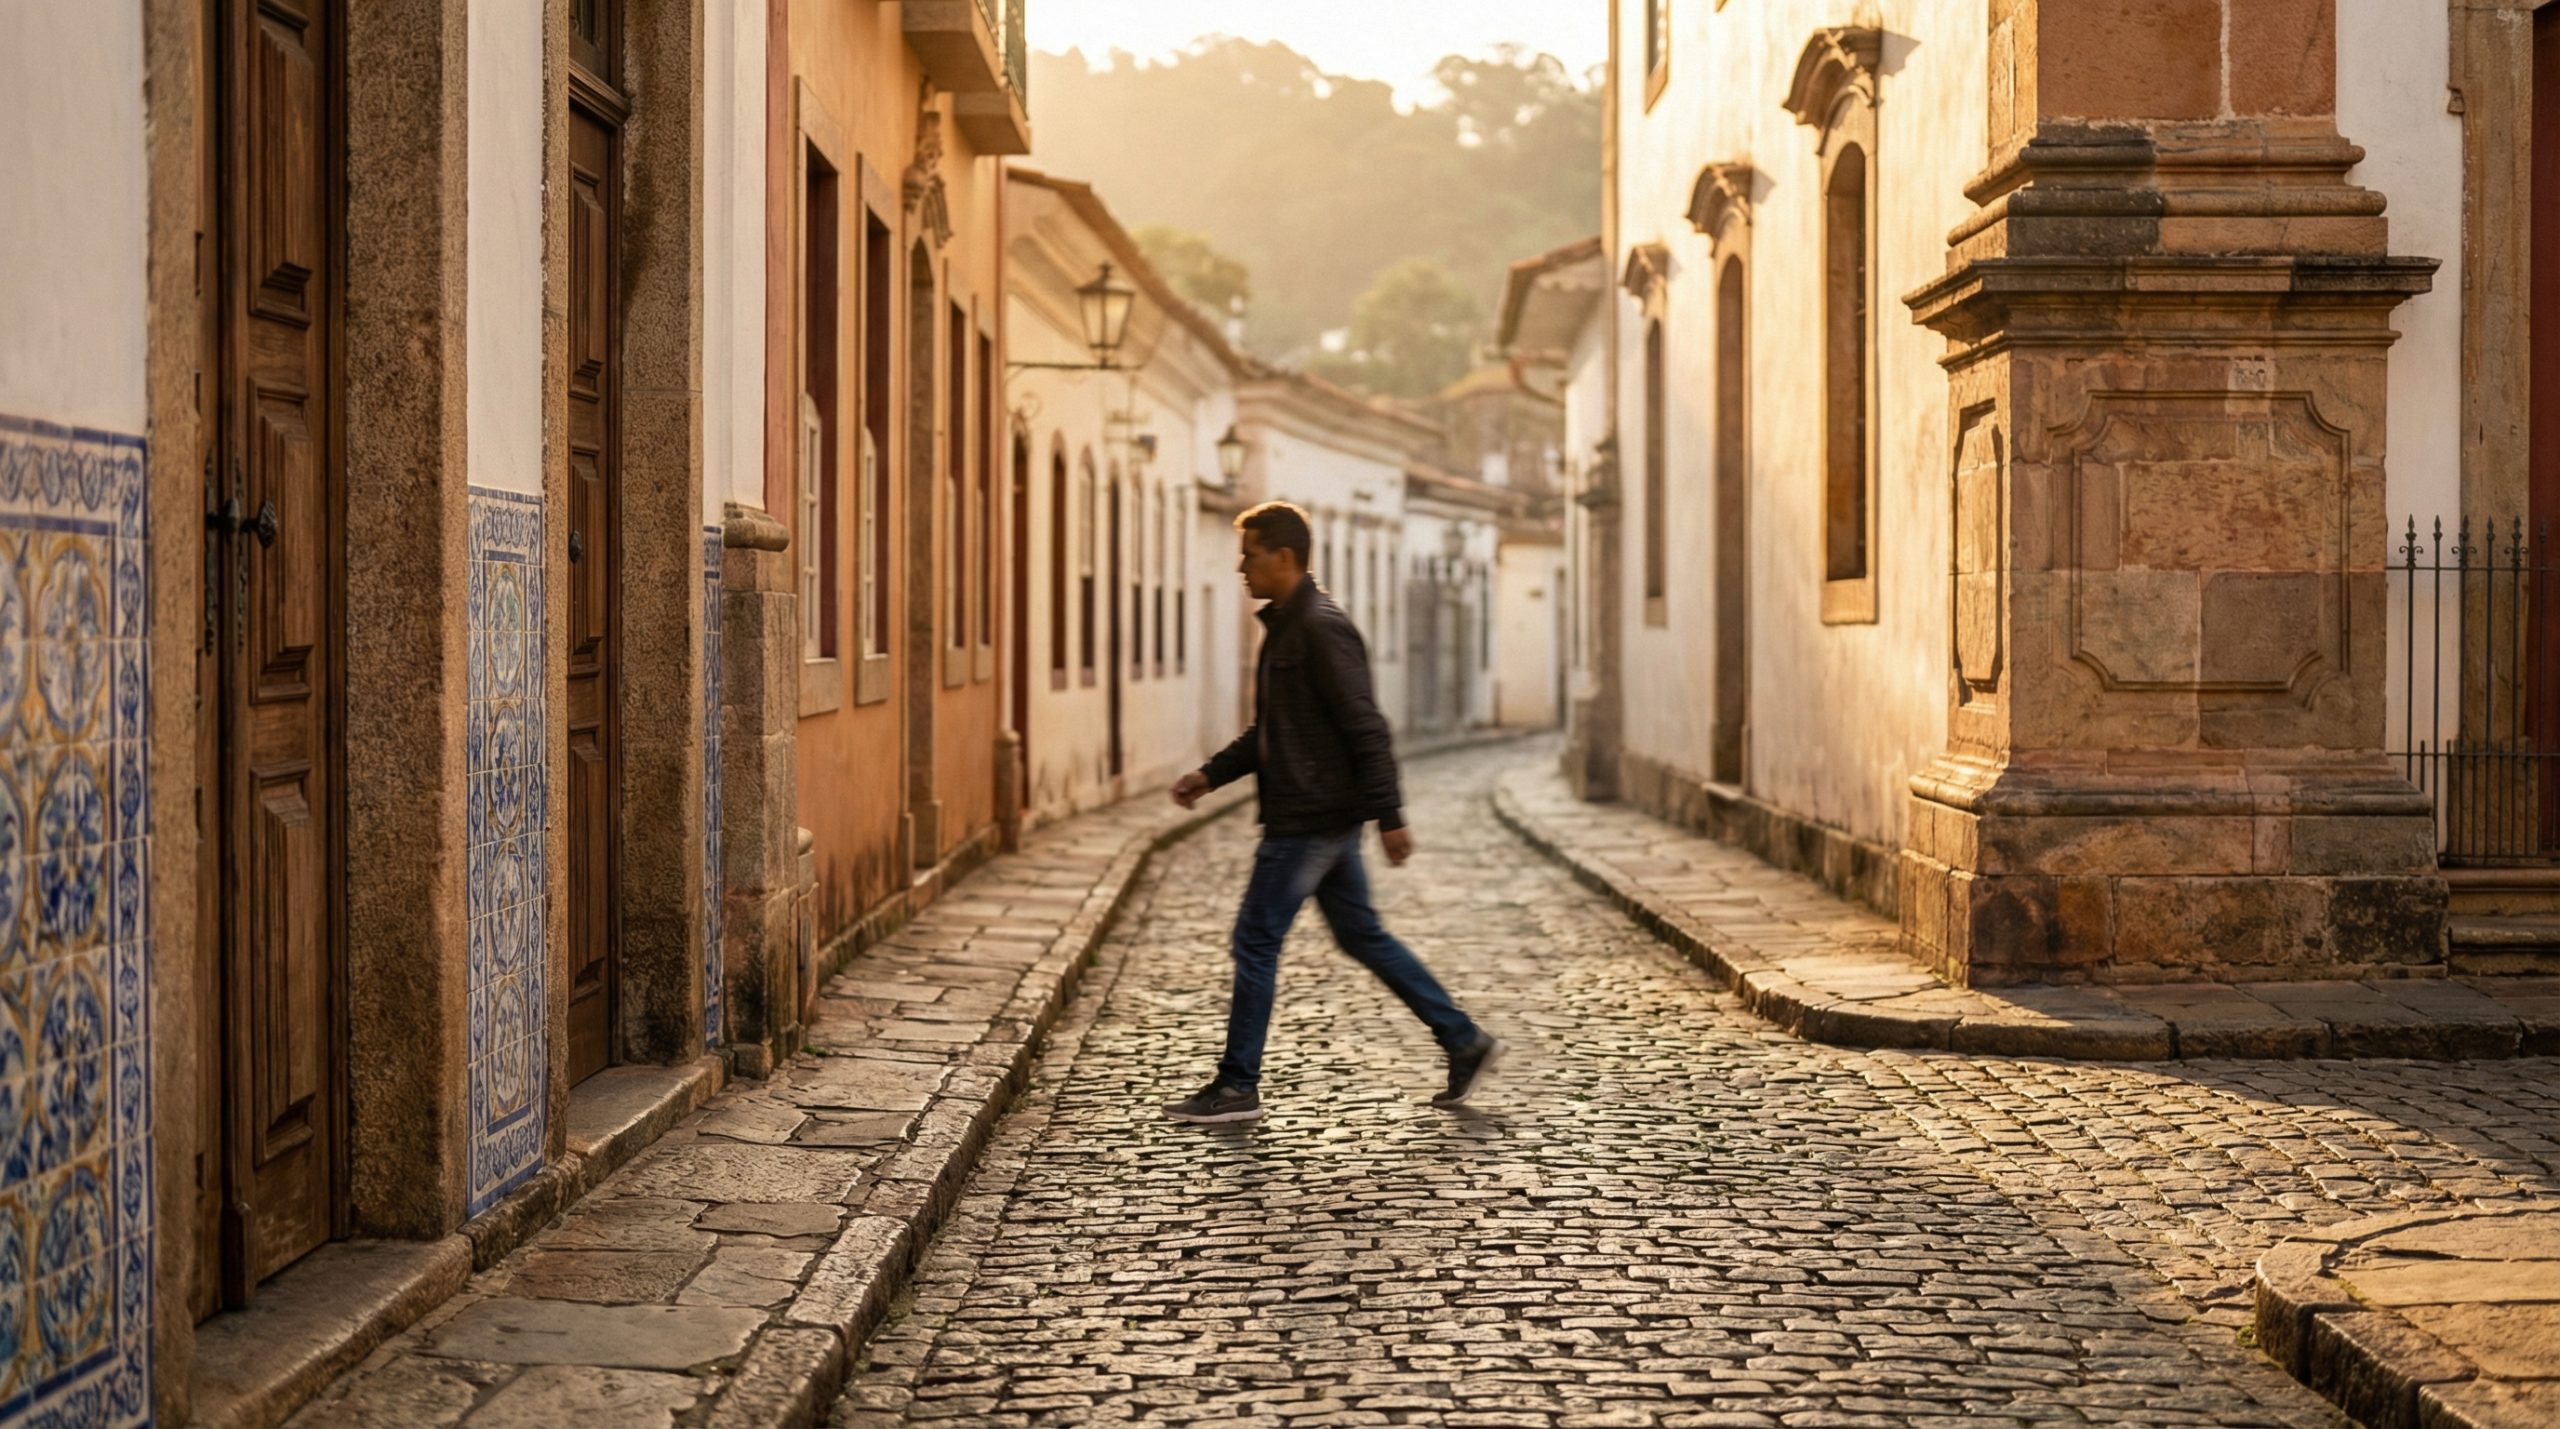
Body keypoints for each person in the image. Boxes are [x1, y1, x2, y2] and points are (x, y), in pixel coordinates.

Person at [1163, 500, 1501, 1125]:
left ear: (1284, 557)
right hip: (1321, 814)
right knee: (1362, 936)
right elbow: (1273, 730)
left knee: (1255, 939)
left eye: (1251, 553)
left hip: (1309, 818)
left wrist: (1391, 815)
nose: (1242, 567)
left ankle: (1237, 1086)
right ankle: (1462, 1039)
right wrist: (1210, 776)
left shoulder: (1320, 627)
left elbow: (1366, 726)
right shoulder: (1289, 628)